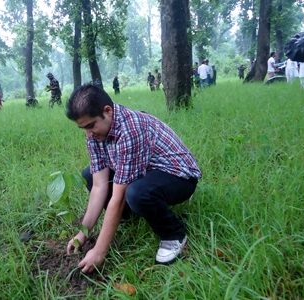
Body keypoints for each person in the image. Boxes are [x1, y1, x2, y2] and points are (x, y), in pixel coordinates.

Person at [65, 84, 202, 273]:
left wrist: (99, 251)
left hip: (178, 176)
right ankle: (129, 216)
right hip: (145, 171)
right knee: (89, 175)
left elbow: (118, 197)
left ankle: (173, 234)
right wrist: (83, 234)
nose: (88, 134)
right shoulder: (95, 134)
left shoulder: (130, 129)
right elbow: (99, 186)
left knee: (137, 193)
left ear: (108, 111)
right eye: (83, 128)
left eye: (91, 125)